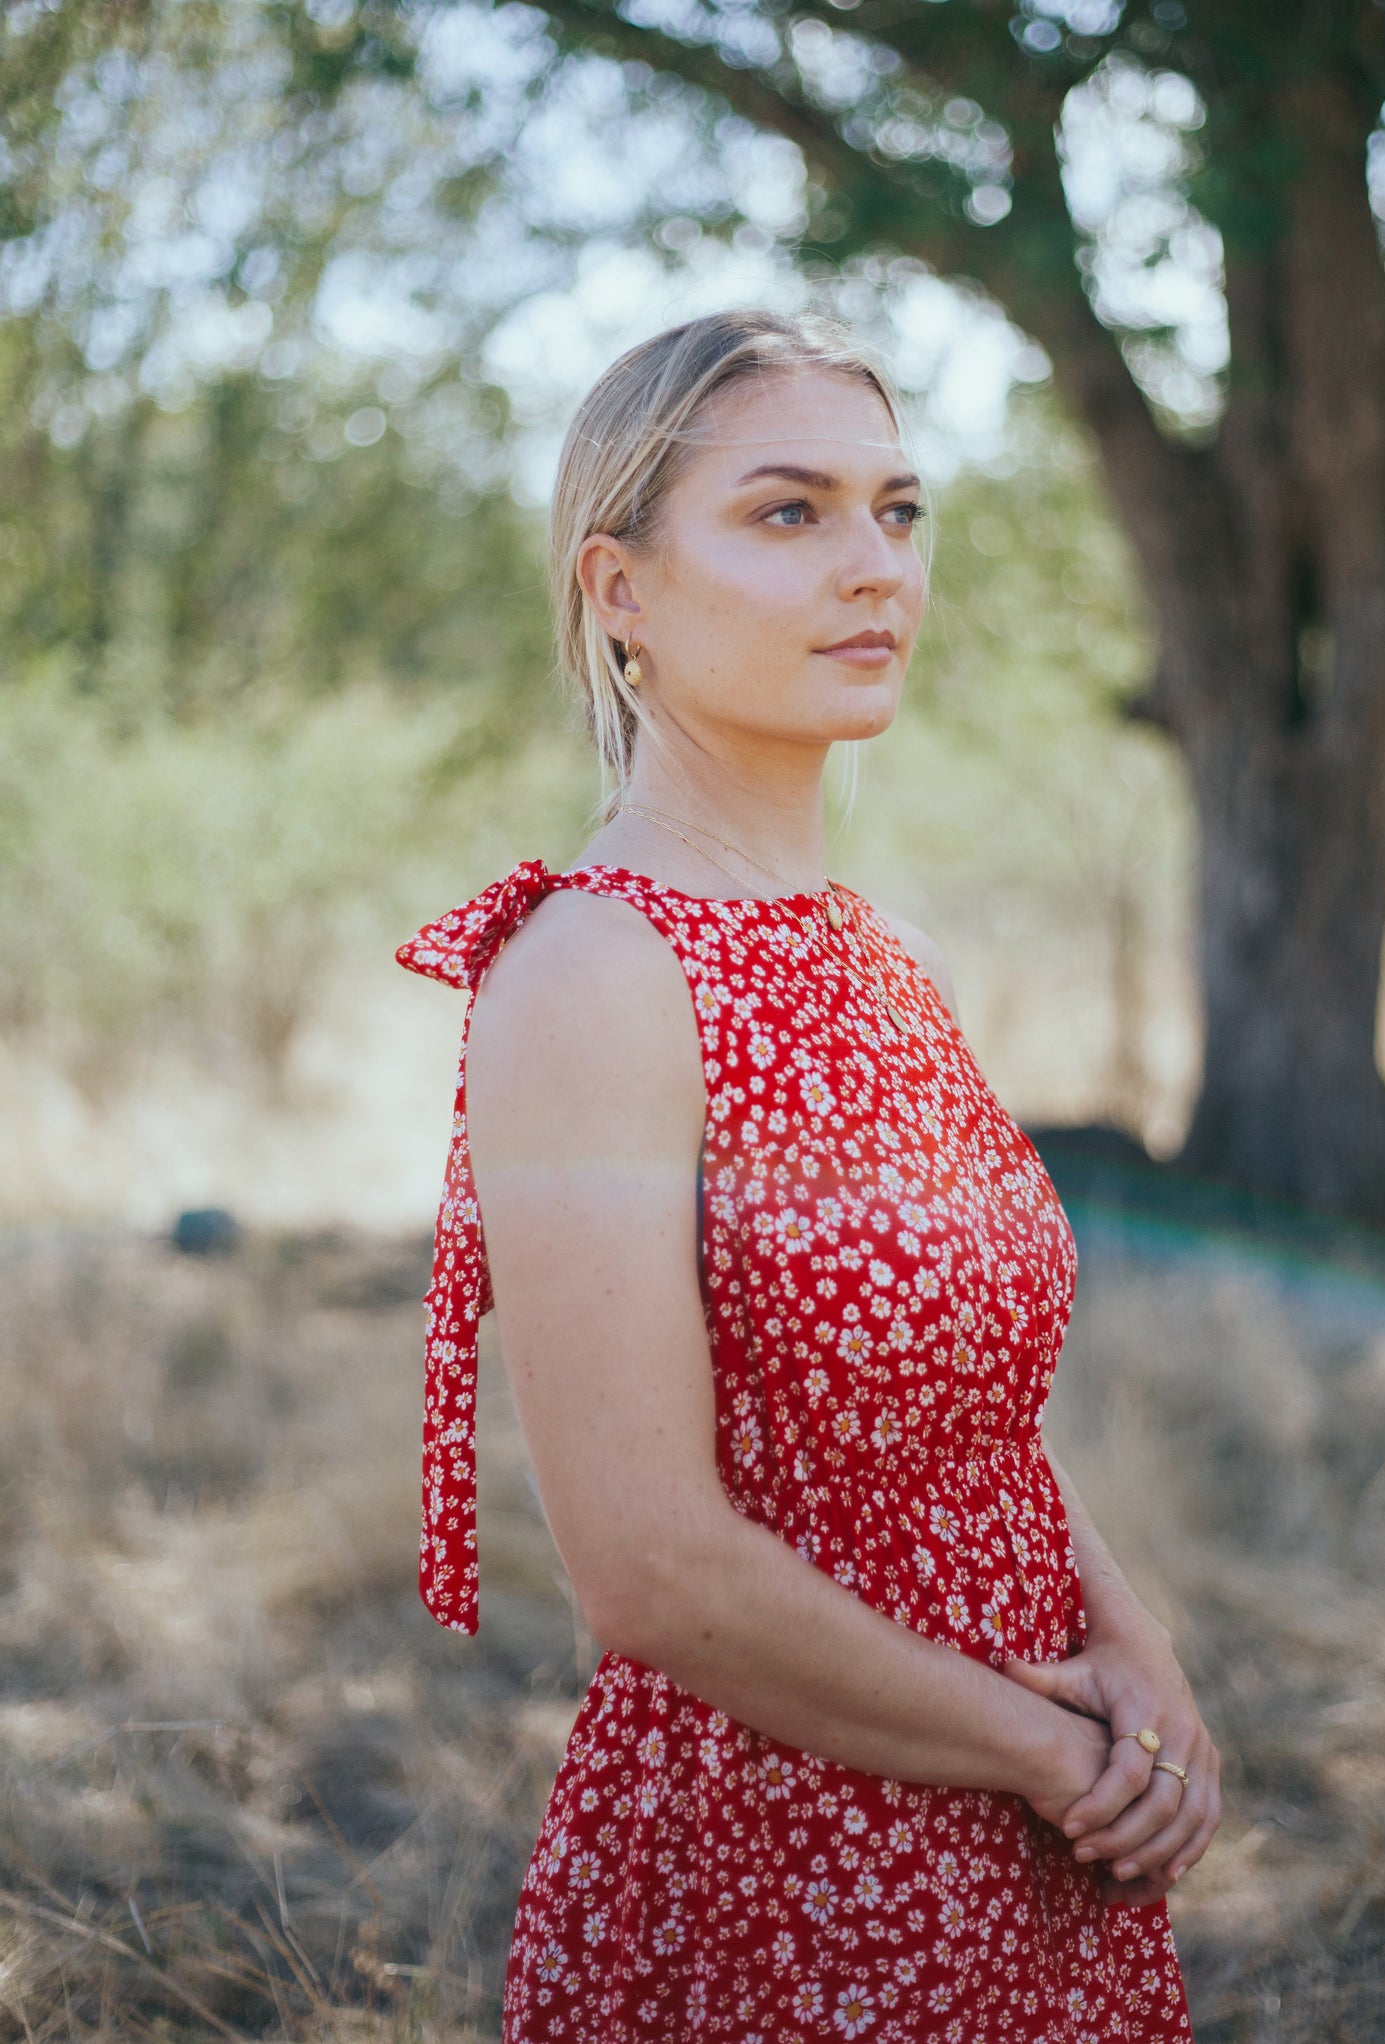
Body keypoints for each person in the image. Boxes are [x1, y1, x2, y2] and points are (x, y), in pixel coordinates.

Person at [396, 307, 1221, 2042]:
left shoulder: (879, 951)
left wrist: (1130, 1652)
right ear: (618, 588)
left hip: (1030, 1830)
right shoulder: (591, 973)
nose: (873, 568)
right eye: (790, 514)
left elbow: (960, 1416)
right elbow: (651, 1571)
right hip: (790, 1858)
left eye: (898, 511)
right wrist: (1044, 1748)